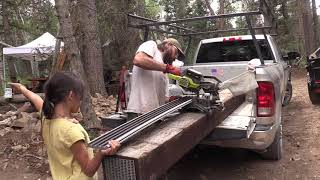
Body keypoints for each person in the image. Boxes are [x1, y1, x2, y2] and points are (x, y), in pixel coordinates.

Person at [9, 72, 120, 180]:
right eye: (80, 97)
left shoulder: (47, 118)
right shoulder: (71, 130)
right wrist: (102, 152)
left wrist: (22, 88)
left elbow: (35, 99)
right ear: (71, 95)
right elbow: (88, 170)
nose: (81, 101)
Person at [127, 38, 185, 116]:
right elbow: (139, 60)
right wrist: (168, 68)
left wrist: (173, 99)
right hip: (139, 112)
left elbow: (164, 99)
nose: (175, 58)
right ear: (168, 45)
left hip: (155, 115)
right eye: (176, 53)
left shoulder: (164, 72)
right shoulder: (151, 45)